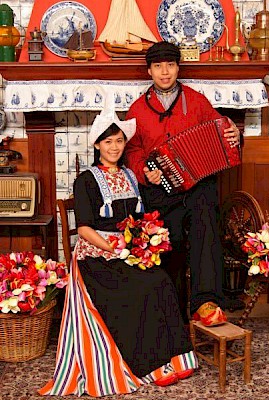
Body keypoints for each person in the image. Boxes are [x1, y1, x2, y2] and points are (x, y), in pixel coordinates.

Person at [39, 102, 198, 398]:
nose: (114, 147)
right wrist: (115, 247)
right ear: (97, 144)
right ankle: (149, 365)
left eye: (119, 141)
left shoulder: (128, 175)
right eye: (108, 141)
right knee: (141, 288)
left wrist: (145, 239)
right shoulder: (86, 179)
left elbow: (139, 218)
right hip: (96, 255)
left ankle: (173, 358)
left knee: (162, 280)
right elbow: (84, 228)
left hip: (128, 249)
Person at [125, 41, 241, 323]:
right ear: (149, 71)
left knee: (206, 227)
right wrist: (144, 172)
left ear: (178, 68)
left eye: (170, 65)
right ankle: (171, 306)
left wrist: (235, 134)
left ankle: (206, 302)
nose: (165, 72)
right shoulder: (137, 109)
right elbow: (132, 150)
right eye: (158, 67)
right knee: (167, 239)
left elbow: (221, 130)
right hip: (161, 189)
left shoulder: (197, 101)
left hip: (198, 185)